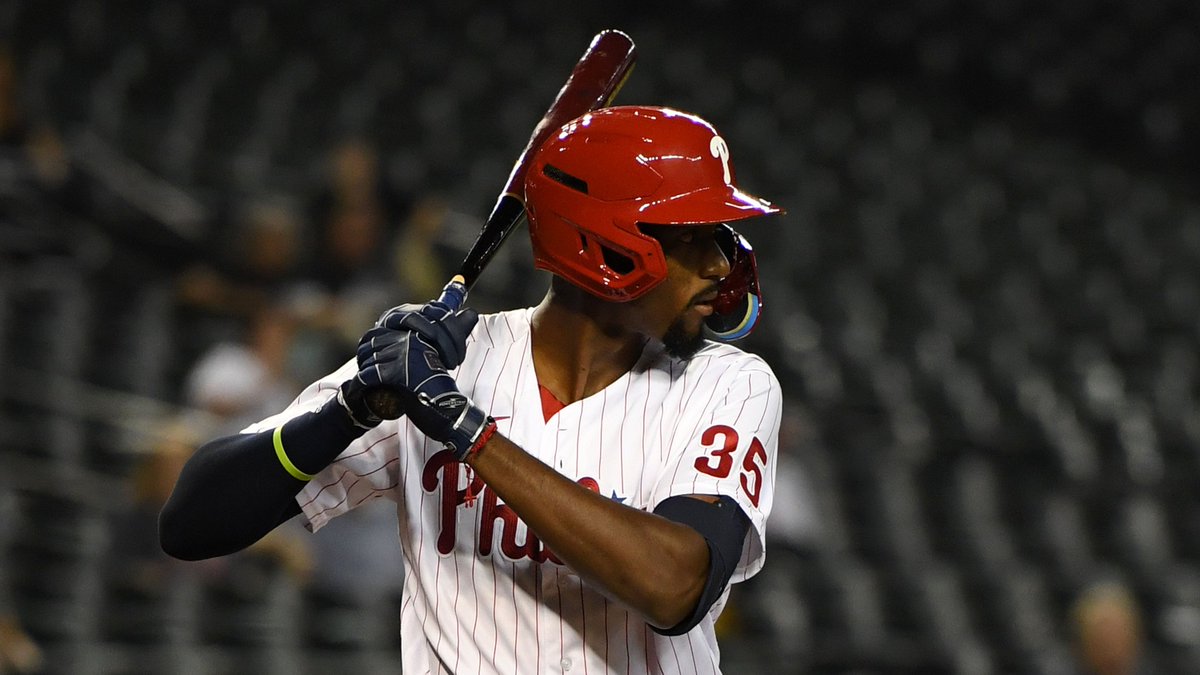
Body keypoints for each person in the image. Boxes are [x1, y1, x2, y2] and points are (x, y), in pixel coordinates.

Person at [161, 106, 783, 673]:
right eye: (693, 237)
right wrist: (350, 411)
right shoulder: (440, 366)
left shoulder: (727, 383)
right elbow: (191, 523)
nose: (721, 266)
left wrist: (466, 430)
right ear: (609, 247)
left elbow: (674, 587)